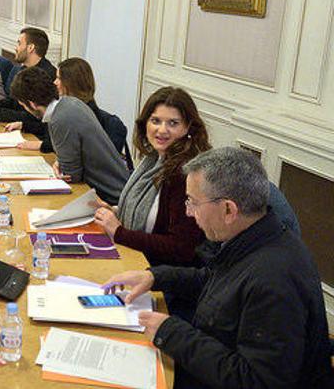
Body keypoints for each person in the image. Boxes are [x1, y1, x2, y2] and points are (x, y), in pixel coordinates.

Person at [103, 147, 333, 388]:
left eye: (192, 202)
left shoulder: (274, 280)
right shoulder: (256, 237)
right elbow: (214, 281)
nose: (188, 212)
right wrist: (154, 276)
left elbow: (256, 381)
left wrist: (172, 332)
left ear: (228, 210)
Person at [93, 87, 210, 266]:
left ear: (188, 127)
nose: (162, 130)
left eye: (173, 123)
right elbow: (151, 214)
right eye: (155, 121)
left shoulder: (185, 174)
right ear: (145, 123)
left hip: (161, 274)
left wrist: (119, 232)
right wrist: (115, 211)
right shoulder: (154, 160)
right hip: (138, 259)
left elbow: (180, 248)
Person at [9, 66, 128, 204]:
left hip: (109, 198)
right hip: (114, 189)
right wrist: (60, 161)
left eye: (24, 106)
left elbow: (71, 177)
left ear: (32, 104)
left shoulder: (60, 119)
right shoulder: (70, 103)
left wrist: (63, 167)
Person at [8, 58, 129, 161]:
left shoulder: (81, 114)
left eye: (59, 78)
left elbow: (68, 145)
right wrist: (24, 125)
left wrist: (42, 145)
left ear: (72, 83)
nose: (55, 83)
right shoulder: (65, 107)